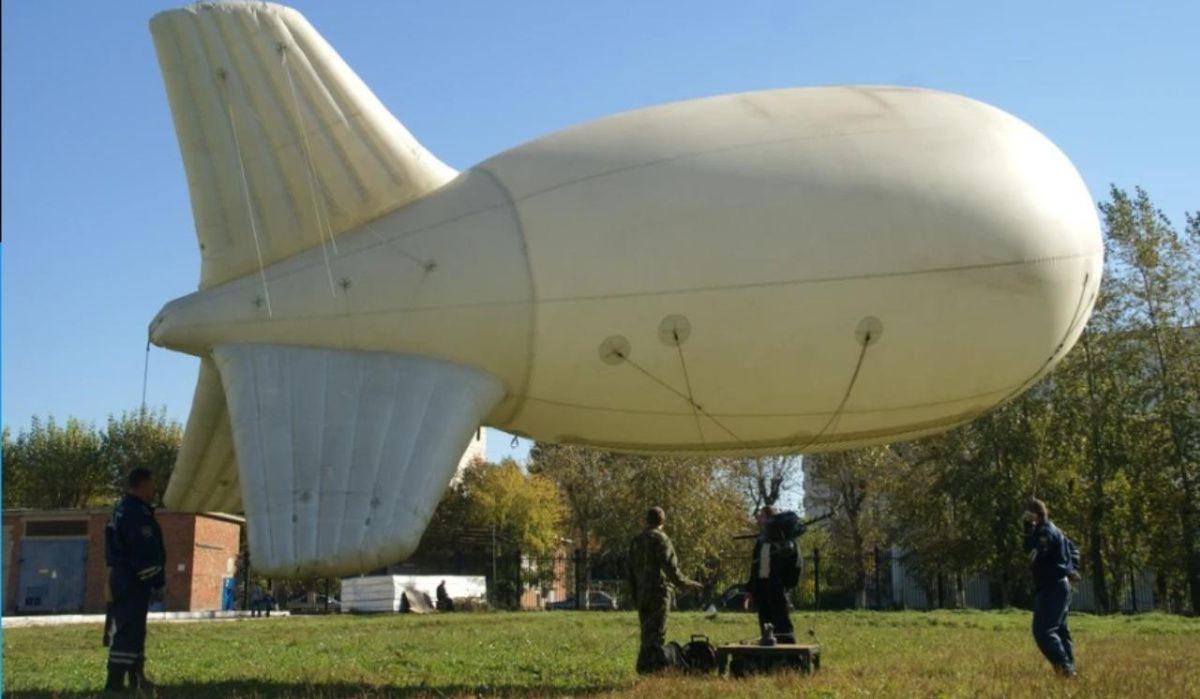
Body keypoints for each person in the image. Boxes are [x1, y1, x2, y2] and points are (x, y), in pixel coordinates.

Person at [104, 467, 166, 692]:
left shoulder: (123, 509)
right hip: (132, 579)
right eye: (151, 484)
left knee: (135, 629)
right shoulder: (135, 514)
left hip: (125, 577)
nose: (154, 489)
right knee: (129, 629)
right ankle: (115, 683)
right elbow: (142, 551)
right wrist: (156, 582)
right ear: (141, 484)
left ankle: (136, 677)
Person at [626, 506, 703, 674]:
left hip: (642, 594)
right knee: (658, 634)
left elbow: (630, 572)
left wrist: (635, 595)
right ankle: (655, 670)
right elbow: (671, 569)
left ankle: (643, 668)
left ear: (647, 520)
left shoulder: (636, 541)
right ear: (663, 521)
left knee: (646, 633)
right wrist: (688, 584)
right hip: (658, 594)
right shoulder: (661, 539)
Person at [1023, 497, 1081, 678]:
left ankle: (1065, 669)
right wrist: (1071, 569)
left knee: (1044, 631)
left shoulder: (1044, 532)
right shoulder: (1055, 530)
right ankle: (1069, 668)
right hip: (1060, 585)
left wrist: (1028, 529)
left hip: (1051, 586)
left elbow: (1036, 551)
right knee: (1060, 631)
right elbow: (1073, 550)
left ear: (1035, 514)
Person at [746, 507, 800, 645]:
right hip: (762, 588)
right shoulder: (762, 541)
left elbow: (794, 564)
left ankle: (789, 653)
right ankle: (769, 654)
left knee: (781, 621)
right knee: (765, 622)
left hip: (776, 587)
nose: (758, 519)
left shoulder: (783, 541)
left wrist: (785, 584)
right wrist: (750, 589)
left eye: (761, 516)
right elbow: (756, 567)